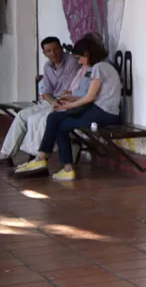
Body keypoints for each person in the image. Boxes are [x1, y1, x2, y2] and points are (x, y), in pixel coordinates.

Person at [15, 34, 122, 181]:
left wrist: (68, 105)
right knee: (57, 121)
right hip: (99, 109)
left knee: (56, 119)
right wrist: (69, 98)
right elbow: (93, 96)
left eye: (79, 58)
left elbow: (89, 98)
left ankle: (51, 162)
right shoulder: (102, 66)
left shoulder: (98, 67)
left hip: (103, 113)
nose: (79, 62)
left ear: (87, 54)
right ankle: (57, 164)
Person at [2, 37, 81, 162]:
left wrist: (56, 102)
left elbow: (69, 90)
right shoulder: (47, 66)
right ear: (44, 53)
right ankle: (6, 154)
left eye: (56, 49)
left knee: (37, 119)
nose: (53, 53)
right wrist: (52, 101)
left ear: (61, 48)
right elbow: (46, 92)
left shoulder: (71, 61)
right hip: (52, 101)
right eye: (49, 51)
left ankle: (36, 158)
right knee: (22, 115)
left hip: (68, 102)